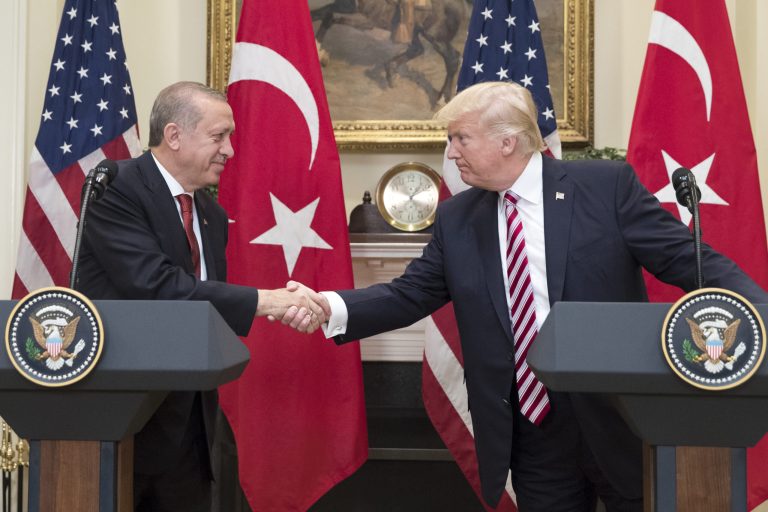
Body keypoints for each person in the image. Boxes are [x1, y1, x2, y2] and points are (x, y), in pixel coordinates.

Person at [282, 81, 768, 511]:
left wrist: (759, 315)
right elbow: (411, 293)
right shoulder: (458, 217)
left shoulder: (604, 188)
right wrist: (331, 306)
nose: (450, 153)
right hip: (529, 424)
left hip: (619, 416)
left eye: (460, 139)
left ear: (507, 141)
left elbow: (688, 261)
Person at [76, 81, 325, 512]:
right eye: (219, 136)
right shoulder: (117, 187)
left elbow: (204, 310)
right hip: (125, 420)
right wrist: (267, 302)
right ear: (174, 136)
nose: (229, 149)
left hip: (192, 423)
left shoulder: (208, 211)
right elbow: (154, 285)